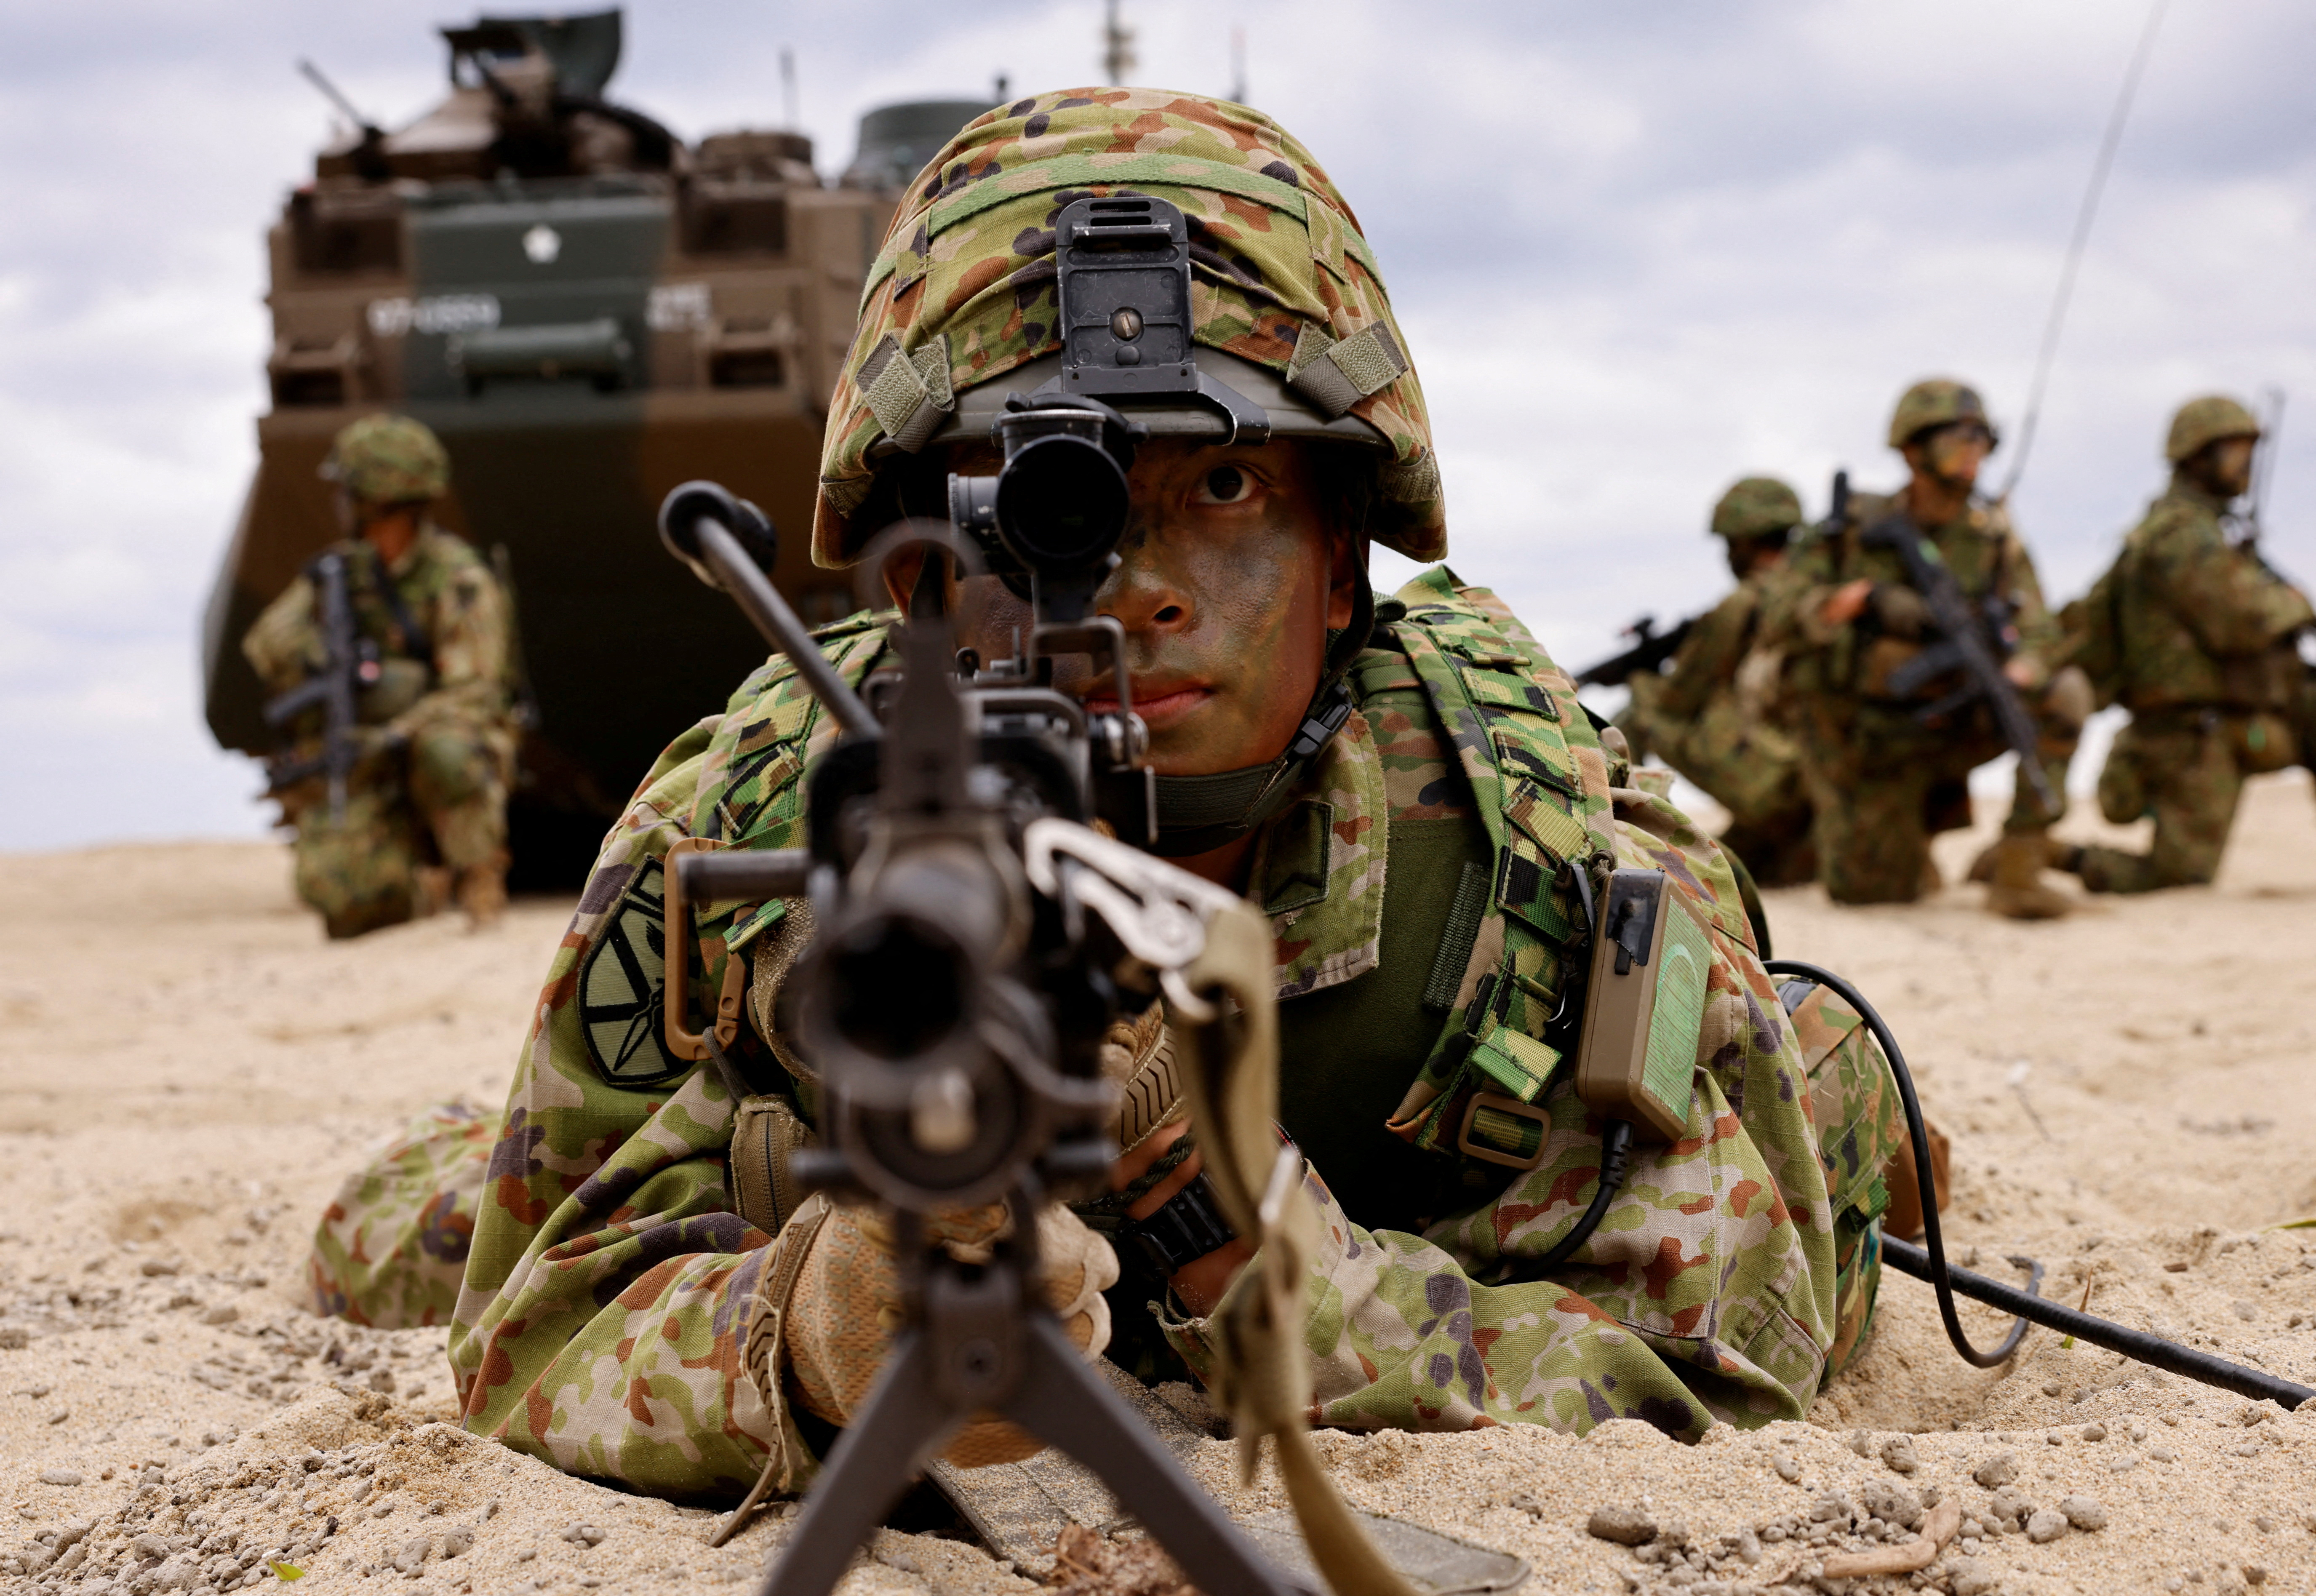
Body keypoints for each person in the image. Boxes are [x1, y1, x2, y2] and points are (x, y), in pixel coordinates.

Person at [310, 92, 1905, 1499]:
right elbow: (534, 1312)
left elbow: (1712, 1351)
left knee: (1855, 1123)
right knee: (389, 1231)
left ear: (1345, 553)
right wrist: (807, 1329)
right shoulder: (758, 812)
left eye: (1224, 486)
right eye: (1033, 505)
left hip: (1413, 1197)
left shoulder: (1513, 868)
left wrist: (1230, 1226)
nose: (1133, 592)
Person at [1759, 379, 2090, 918]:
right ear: (1913, 451)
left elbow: (2041, 630)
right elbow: (1778, 612)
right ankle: (1907, 840)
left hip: (1957, 716)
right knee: (1871, 893)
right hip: (1865, 741)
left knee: (2067, 693)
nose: (1971, 455)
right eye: (1956, 440)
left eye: (1981, 441)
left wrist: (2024, 668)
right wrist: (1861, 599)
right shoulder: (1857, 527)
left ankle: (2016, 869)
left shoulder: (1992, 539)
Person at [243, 414, 518, 939]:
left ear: (374, 498)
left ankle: (479, 881)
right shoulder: (340, 573)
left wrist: (392, 735)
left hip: (435, 737)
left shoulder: (458, 578)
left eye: (347, 490)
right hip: (366, 744)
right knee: (347, 908)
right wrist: (324, 656)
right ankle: (414, 887)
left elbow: (473, 691)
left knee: (448, 752)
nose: (340, 502)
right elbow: (266, 641)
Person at [2058, 395, 2313, 893]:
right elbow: (2240, 621)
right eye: (2233, 451)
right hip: (2192, 728)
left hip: (2233, 717)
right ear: (2198, 456)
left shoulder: (2205, 531)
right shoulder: (2179, 534)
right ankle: (2059, 856)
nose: (2245, 466)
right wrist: (2296, 605)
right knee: (2180, 877)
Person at [1621, 477, 1816, 886]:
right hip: (1816, 772)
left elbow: (1677, 701)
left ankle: (1608, 828)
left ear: (1741, 541)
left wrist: (1638, 678)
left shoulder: (1742, 604)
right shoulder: (1813, 593)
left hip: (1777, 780)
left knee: (1640, 709)